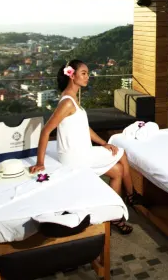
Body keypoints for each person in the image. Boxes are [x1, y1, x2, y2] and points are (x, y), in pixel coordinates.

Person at [28, 59, 140, 234]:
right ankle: (132, 197)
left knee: (118, 171)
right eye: (84, 73)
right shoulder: (67, 102)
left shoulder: (73, 98)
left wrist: (103, 143)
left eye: (87, 73)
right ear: (72, 76)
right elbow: (46, 130)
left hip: (80, 153)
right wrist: (40, 162)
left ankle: (114, 217)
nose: (88, 76)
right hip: (76, 157)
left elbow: (85, 128)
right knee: (122, 152)